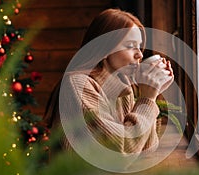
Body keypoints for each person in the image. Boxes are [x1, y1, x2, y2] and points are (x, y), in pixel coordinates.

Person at [43, 8, 174, 157]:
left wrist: (153, 94)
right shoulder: (78, 85)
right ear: (104, 48)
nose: (140, 54)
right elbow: (118, 152)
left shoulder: (122, 87)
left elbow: (145, 147)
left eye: (139, 46)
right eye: (130, 46)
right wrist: (147, 99)